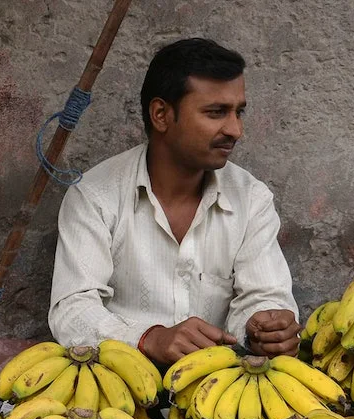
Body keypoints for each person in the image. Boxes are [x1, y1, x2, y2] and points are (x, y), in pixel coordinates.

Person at [47, 38, 299, 366]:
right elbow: (71, 310)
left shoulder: (251, 199)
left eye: (239, 112)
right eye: (216, 112)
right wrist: (147, 337)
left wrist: (261, 329)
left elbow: (266, 295)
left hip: (218, 388)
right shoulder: (95, 196)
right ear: (161, 115)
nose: (235, 130)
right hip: (117, 382)